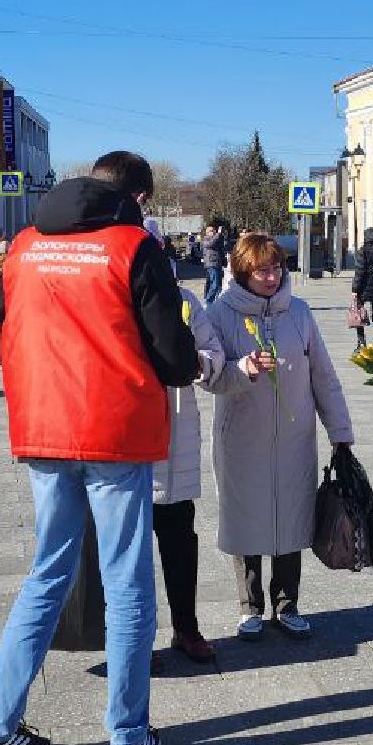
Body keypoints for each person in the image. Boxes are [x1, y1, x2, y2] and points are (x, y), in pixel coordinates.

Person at [0, 151, 197, 745]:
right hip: (115, 431)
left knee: (47, 572)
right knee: (127, 580)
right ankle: (127, 736)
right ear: (140, 199)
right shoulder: (134, 247)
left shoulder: (22, 246)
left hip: (42, 428)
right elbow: (175, 357)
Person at [201, 233, 355, 643]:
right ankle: (249, 605)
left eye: (276, 268)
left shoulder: (300, 313)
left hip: (294, 437)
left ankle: (287, 604)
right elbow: (211, 378)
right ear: (242, 273)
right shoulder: (220, 313)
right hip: (241, 438)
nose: (271, 278)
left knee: (292, 515)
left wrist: (339, 431)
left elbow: (324, 376)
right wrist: (244, 367)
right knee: (245, 518)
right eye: (261, 270)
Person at [153, 285, 226, 669]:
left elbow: (213, 353)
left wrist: (193, 361)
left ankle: (186, 628)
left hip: (175, 441)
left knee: (180, 542)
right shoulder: (112, 293)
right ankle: (133, 639)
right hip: (127, 446)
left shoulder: (182, 299)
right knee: (127, 558)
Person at [200, 224, 228, 305]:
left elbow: (221, 251)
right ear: (207, 232)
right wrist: (218, 234)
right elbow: (210, 244)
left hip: (217, 264)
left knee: (218, 285)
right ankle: (209, 302)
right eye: (212, 231)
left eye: (214, 231)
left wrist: (224, 262)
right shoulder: (206, 240)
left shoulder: (217, 240)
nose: (214, 232)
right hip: (211, 264)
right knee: (214, 285)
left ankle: (216, 302)